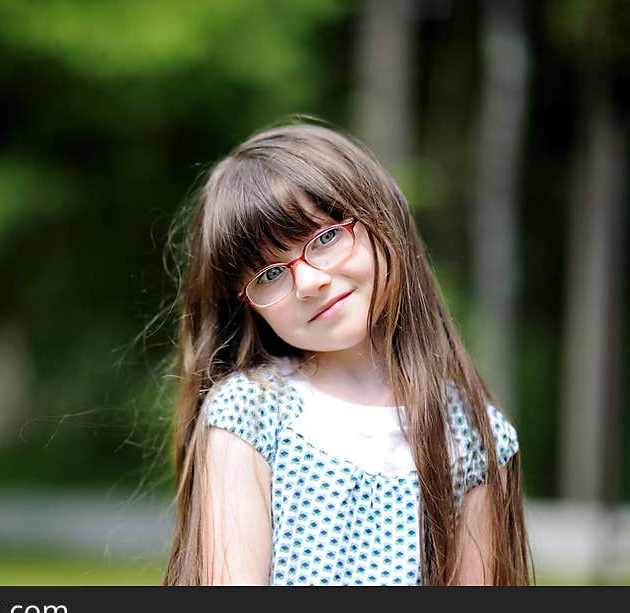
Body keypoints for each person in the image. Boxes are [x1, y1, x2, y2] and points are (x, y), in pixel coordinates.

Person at [161, 120, 532, 586]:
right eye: (271, 274)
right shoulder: (251, 413)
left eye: (325, 238)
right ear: (246, 303)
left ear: (382, 217)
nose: (310, 282)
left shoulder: (471, 434)